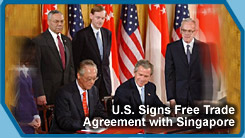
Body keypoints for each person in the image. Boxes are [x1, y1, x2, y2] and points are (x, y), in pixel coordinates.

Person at [165, 18, 213, 115]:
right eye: (184, 30)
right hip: (179, 97)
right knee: (180, 128)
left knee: (198, 128)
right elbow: (169, 75)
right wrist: (172, 99)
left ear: (195, 32)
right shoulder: (171, 48)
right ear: (181, 30)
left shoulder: (204, 48)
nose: (187, 33)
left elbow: (207, 75)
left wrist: (208, 100)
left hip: (199, 98)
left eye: (190, 31)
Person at [50, 59, 107, 133]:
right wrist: (88, 124)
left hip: (87, 132)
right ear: (79, 75)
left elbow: (99, 111)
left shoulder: (94, 90)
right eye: (89, 79)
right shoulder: (64, 93)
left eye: (94, 78)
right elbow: (65, 122)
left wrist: (104, 120)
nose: (92, 82)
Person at [32, 10, 75, 105]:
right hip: (48, 93)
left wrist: (74, 88)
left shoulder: (67, 41)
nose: (60, 24)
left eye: (62, 21)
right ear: (48, 22)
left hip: (67, 92)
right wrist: (39, 93)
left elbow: (71, 67)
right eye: (56, 21)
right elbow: (36, 70)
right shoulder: (38, 41)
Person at [72, 5, 112, 101]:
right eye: (98, 17)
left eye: (103, 18)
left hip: (105, 81)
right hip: (88, 80)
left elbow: (105, 58)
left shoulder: (107, 33)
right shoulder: (81, 35)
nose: (100, 21)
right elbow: (76, 59)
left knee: (106, 110)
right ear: (91, 16)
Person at [13, 38, 41, 134]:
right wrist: (27, 120)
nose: (33, 55)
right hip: (19, 124)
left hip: (30, 124)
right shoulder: (11, 74)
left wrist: (35, 115)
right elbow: (14, 103)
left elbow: (30, 96)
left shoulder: (26, 70)